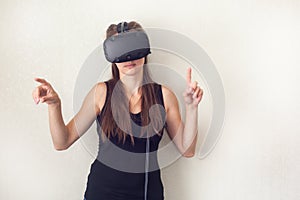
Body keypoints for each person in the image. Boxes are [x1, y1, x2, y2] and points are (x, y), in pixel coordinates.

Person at [32, 21, 203, 200]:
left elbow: (187, 150)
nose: (129, 58)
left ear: (144, 50)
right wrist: (54, 105)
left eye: (133, 48)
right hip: (102, 193)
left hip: (147, 194)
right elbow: (62, 142)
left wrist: (192, 108)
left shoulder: (164, 96)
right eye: (121, 51)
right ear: (111, 55)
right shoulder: (101, 93)